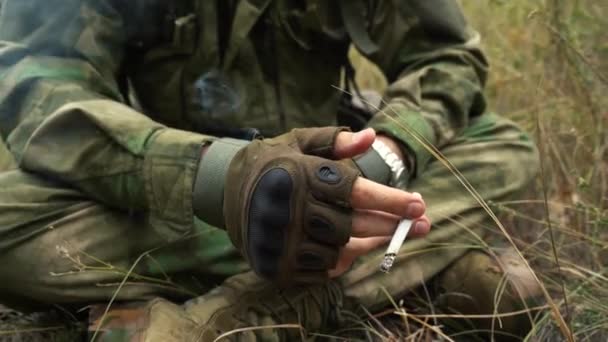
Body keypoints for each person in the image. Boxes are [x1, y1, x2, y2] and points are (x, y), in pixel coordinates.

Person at [0, 0, 540, 340]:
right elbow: (40, 86)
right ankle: (382, 272)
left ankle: (237, 315)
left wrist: (383, 159)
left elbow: (444, 58)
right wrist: (217, 175)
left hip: (340, 174)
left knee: (502, 145)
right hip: (180, 194)